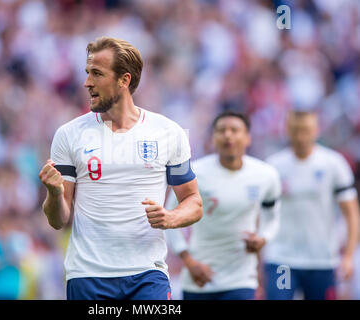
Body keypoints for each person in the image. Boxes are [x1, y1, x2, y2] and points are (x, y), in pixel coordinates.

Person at [38, 37, 203, 300]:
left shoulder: (168, 133)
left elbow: (194, 201)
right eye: (87, 73)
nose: (87, 82)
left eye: (97, 74)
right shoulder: (69, 135)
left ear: (124, 80)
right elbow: (58, 220)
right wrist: (55, 194)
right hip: (88, 276)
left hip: (148, 274)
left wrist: (171, 218)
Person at [166, 110, 281, 300]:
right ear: (213, 138)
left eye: (235, 130)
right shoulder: (194, 172)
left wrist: (263, 238)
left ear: (248, 138)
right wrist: (188, 260)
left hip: (241, 279)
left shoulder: (266, 175)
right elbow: (171, 217)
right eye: (221, 130)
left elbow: (272, 216)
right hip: (199, 278)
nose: (228, 135)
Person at [262, 110, 360, 300]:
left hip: (322, 259)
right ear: (287, 130)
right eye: (295, 130)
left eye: (305, 130)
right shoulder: (273, 166)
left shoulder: (334, 164)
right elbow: (261, 214)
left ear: (316, 130)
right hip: (282, 259)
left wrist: (348, 256)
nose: (300, 136)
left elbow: (351, 212)